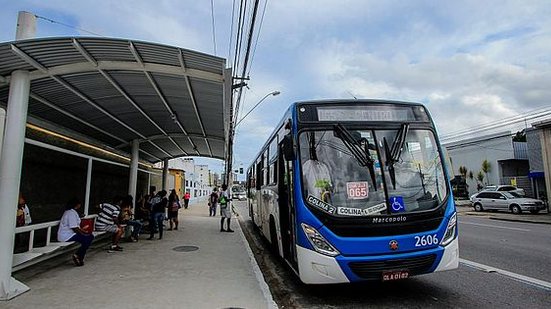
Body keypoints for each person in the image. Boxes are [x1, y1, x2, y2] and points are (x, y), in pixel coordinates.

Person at [57, 198, 94, 266]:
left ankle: (79, 256)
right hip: (67, 235)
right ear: (77, 205)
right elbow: (74, 227)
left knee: (89, 237)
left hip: (70, 234)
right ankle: (78, 256)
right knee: (87, 238)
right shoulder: (70, 213)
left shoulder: (71, 212)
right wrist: (83, 233)